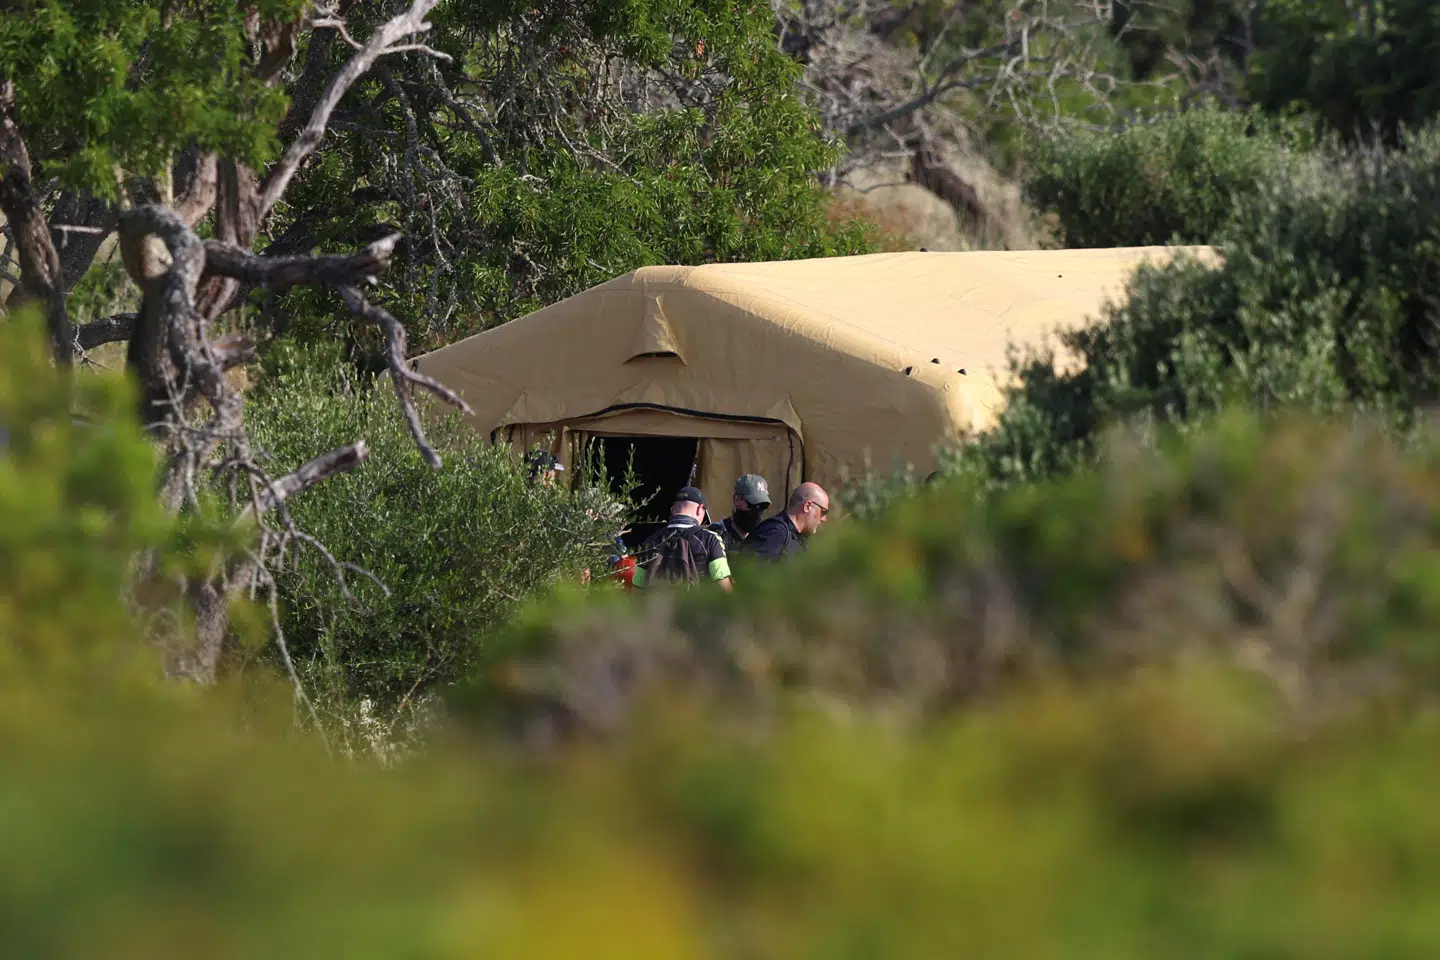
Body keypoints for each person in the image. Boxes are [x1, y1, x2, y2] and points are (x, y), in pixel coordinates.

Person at [631, 487, 733, 591]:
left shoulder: (650, 541)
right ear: (699, 509)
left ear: (673, 510)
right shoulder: (710, 538)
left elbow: (636, 588)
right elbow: (723, 584)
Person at [747, 482, 830, 560]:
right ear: (807, 506)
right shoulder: (775, 533)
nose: (824, 519)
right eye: (823, 512)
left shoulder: (802, 540)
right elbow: (751, 572)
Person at [707, 473, 771, 553]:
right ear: (736, 500)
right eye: (753, 504)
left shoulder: (765, 537)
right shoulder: (716, 535)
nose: (758, 510)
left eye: (762, 505)